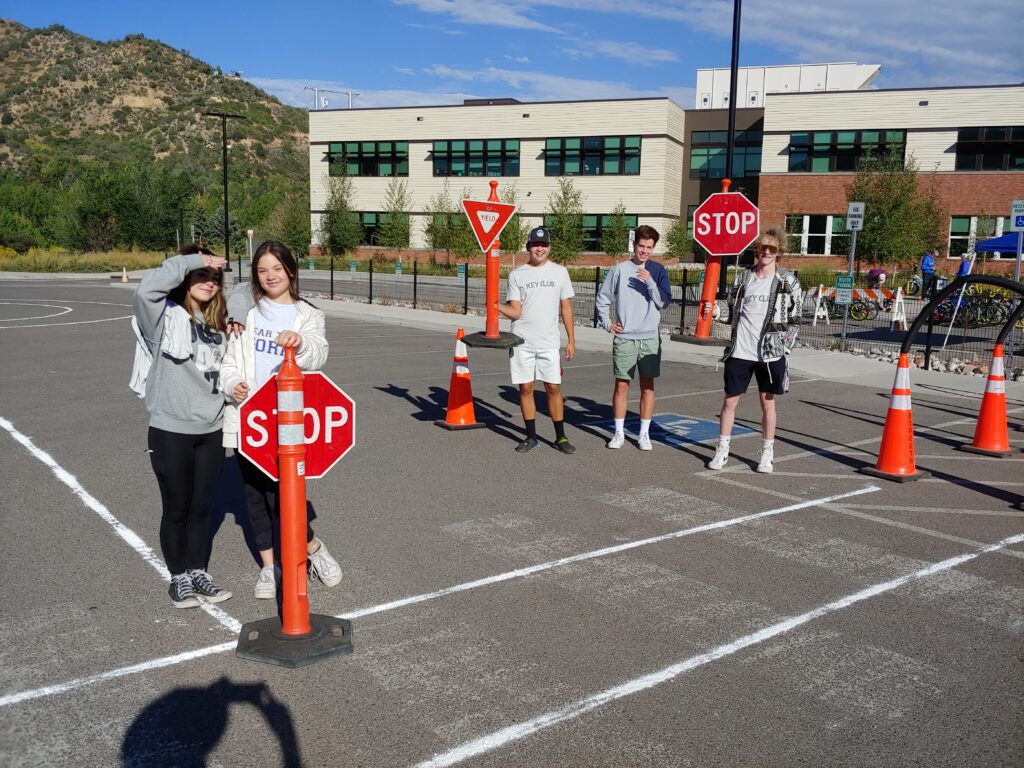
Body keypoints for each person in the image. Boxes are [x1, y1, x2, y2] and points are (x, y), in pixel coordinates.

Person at [220, 240, 342, 599]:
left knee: (286, 495)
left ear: (290, 270)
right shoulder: (246, 315)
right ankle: (270, 568)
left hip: (291, 421)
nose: (270, 276)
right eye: (262, 270)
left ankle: (313, 549)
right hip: (252, 420)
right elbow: (228, 363)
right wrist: (232, 385)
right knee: (255, 497)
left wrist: (300, 343)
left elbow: (319, 354)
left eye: (276, 268)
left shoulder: (309, 315)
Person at [133, 244, 233, 609]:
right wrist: (197, 259)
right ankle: (179, 577)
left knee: (202, 506)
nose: (209, 281)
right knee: (176, 506)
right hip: (171, 428)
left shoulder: (220, 323)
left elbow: (245, 298)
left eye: (214, 277)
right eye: (201, 275)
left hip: (212, 427)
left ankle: (197, 571)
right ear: (186, 277)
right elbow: (147, 290)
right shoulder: (162, 318)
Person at [708, 227, 802, 474]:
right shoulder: (743, 278)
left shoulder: (787, 281)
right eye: (763, 248)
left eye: (772, 249)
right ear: (756, 250)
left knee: (767, 403)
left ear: (778, 251)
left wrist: (785, 346)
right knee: (729, 402)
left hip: (770, 353)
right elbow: (731, 311)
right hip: (740, 350)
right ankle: (722, 451)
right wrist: (718, 313)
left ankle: (767, 453)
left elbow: (795, 317)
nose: (767, 253)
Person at [498, 226, 577, 454]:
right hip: (522, 341)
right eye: (535, 245)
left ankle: (560, 437)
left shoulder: (560, 272)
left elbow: (566, 307)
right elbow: (516, 311)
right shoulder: (517, 275)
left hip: (548, 342)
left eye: (543, 245)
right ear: (528, 248)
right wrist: (496, 306)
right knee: (526, 388)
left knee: (553, 387)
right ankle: (531, 437)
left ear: (549, 248)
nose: (539, 249)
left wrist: (571, 340)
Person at [595, 224, 672, 450]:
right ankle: (618, 433)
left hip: (649, 338)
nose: (644, 251)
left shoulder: (658, 271)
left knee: (648, 386)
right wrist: (608, 323)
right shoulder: (619, 269)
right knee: (621, 385)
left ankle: (644, 434)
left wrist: (649, 282)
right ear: (634, 245)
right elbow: (603, 298)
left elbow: (663, 303)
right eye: (641, 246)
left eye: (649, 247)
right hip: (626, 337)